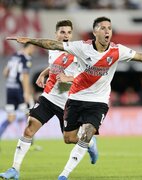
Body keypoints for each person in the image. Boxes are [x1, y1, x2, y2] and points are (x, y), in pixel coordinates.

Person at [6, 16, 142, 180]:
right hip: (59, 98)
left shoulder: (104, 50)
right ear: (95, 32)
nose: (107, 31)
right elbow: (53, 51)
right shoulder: (74, 48)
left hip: (89, 101)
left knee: (80, 136)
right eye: (103, 28)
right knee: (43, 132)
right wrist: (35, 51)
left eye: (109, 28)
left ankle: (67, 170)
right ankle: (14, 169)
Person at [0, 20, 98, 180]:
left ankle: (91, 143)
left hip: (67, 103)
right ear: (56, 34)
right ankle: (14, 169)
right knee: (29, 129)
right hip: (48, 97)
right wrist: (44, 73)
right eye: (62, 32)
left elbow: (88, 77)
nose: (65, 35)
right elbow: (55, 64)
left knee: (70, 139)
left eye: (68, 32)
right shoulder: (52, 49)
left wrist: (69, 78)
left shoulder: (77, 52)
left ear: (71, 35)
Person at [0, 43, 35, 140]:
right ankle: (29, 143)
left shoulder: (14, 56)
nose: (34, 50)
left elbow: (5, 72)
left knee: (10, 118)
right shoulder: (26, 58)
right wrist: (26, 93)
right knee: (29, 116)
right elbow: (25, 76)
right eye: (33, 48)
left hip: (10, 89)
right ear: (29, 47)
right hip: (19, 90)